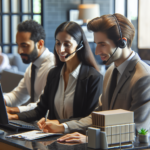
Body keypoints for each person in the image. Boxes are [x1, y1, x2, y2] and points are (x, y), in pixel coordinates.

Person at [40, 13, 150, 142]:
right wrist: (63, 127)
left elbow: (137, 130)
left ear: (122, 42)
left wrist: (90, 139)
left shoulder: (144, 77)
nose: (97, 51)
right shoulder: (110, 72)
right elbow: (98, 116)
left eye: (102, 44)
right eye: (96, 44)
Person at [8, 21, 103, 133]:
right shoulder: (53, 74)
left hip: (77, 139)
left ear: (80, 45)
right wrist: (13, 117)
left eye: (67, 44)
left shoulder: (93, 78)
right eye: (58, 43)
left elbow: (89, 119)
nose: (61, 49)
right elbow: (40, 110)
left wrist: (58, 122)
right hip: (52, 137)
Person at [5, 20, 55, 114]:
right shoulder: (32, 66)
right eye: (18, 45)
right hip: (33, 121)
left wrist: (14, 110)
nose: (19, 51)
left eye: (24, 46)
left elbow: (45, 105)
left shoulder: (52, 67)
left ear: (40, 44)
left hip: (47, 124)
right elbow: (18, 95)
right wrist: (2, 100)